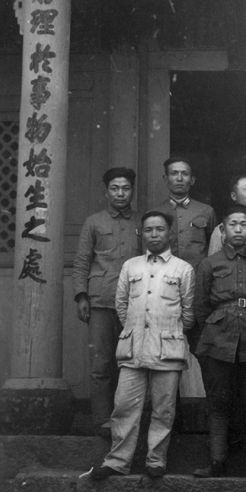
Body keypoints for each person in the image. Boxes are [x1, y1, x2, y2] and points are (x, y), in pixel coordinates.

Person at [86, 211, 195, 479]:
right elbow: (121, 307)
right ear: (142, 234)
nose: (154, 234)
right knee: (124, 406)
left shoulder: (183, 268)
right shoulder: (131, 266)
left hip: (167, 349)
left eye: (160, 229)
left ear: (170, 233)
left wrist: (168, 333)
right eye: (148, 230)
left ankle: (156, 460)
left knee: (164, 408)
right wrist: (135, 331)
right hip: (134, 347)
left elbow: (189, 313)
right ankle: (117, 461)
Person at [192, 205, 246, 480]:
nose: (238, 229)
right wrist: (213, 332)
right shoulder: (209, 263)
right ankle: (216, 463)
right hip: (218, 339)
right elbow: (200, 306)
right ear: (223, 229)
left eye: (243, 224)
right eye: (233, 224)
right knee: (218, 401)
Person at [72, 167, 142, 439]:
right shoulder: (94, 222)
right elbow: (81, 261)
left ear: (132, 191)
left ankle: (129, 419)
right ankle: (102, 420)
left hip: (136, 302)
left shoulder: (143, 221)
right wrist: (81, 295)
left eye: (125, 188)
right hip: (101, 300)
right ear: (106, 192)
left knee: (132, 363)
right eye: (115, 188)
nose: (120, 193)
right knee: (101, 364)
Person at [153, 156, 217, 270]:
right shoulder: (154, 213)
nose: (179, 178)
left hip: (196, 275)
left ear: (192, 180)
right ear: (166, 179)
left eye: (185, 174)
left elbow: (213, 247)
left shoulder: (206, 211)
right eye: (174, 173)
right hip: (164, 276)